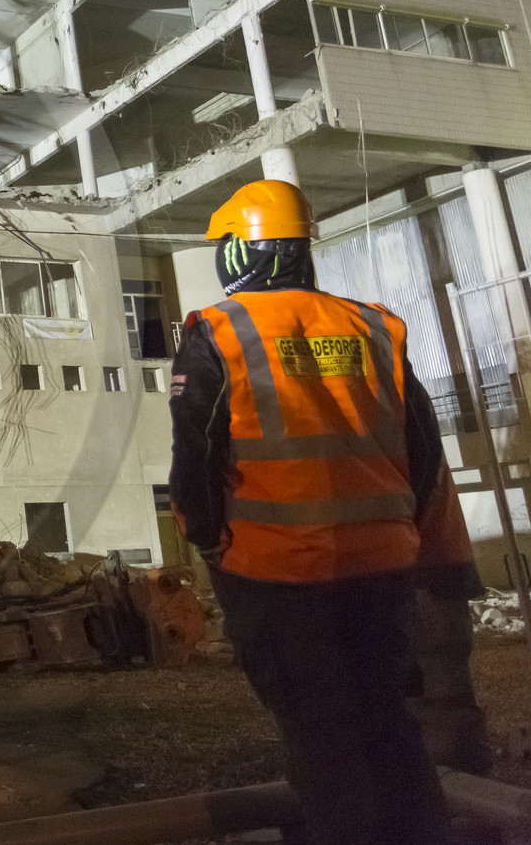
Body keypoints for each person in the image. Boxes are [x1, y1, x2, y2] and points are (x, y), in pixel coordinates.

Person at [169, 178, 450, 845]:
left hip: (278, 573)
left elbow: (197, 454)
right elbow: (423, 447)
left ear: (242, 249)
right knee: (388, 720)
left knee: (320, 731)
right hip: (381, 567)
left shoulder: (220, 331)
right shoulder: (371, 326)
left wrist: (208, 541)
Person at [412, 460, 493, 775]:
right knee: (444, 700)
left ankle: (464, 805)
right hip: (435, 559)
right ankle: (468, 800)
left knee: (438, 701)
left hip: (416, 566)